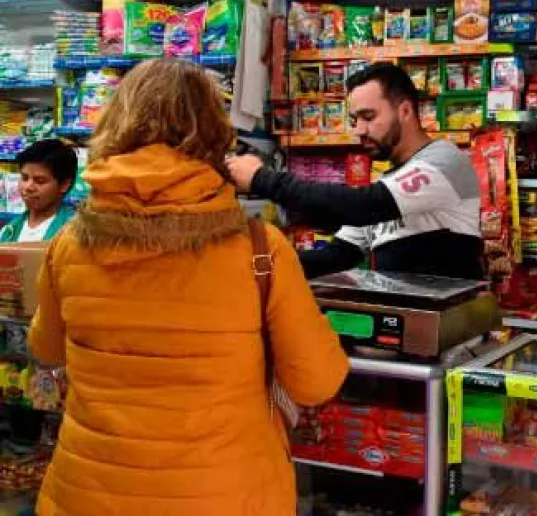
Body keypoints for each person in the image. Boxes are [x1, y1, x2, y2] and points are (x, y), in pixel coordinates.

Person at [28, 59, 349, 515]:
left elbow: (46, 349)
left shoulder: (69, 244)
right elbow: (317, 381)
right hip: (225, 493)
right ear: (213, 132)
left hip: (90, 492)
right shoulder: (261, 248)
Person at [227, 62, 483, 279]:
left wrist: (263, 179)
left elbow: (361, 205)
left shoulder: (445, 161)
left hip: (452, 330)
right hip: (403, 321)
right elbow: (338, 256)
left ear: (405, 111)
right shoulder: (389, 181)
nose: (359, 130)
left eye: (368, 117)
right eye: (354, 121)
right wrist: (255, 266)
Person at [0, 139, 77, 242]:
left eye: (40, 181)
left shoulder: (76, 232)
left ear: (64, 185)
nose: (28, 187)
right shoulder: (9, 231)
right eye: (24, 178)